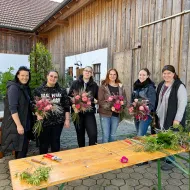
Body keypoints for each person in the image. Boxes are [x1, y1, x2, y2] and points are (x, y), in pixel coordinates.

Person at [156, 65, 187, 170]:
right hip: (163, 116)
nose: (166, 75)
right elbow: (159, 101)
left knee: (171, 138)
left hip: (173, 117)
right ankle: (165, 156)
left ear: (173, 74)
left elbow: (182, 103)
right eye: (164, 73)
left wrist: (177, 119)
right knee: (164, 136)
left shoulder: (179, 86)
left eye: (169, 73)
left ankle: (170, 161)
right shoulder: (161, 85)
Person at [34, 70, 70, 154]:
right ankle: (44, 165)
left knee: (55, 144)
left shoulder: (61, 90)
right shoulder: (39, 90)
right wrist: (37, 114)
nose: (53, 78)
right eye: (51, 76)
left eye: (55, 77)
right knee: (43, 145)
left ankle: (55, 164)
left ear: (57, 79)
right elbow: (33, 105)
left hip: (57, 122)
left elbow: (66, 106)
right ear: (47, 76)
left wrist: (67, 119)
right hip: (43, 121)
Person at [1, 66, 33, 159]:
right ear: (18, 75)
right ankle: (19, 170)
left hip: (25, 121)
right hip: (16, 123)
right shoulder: (13, 88)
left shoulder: (25, 88)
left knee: (22, 148)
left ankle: (19, 169)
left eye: (27, 75)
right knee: (20, 149)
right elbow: (13, 108)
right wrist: (19, 125)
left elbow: (28, 104)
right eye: (22, 75)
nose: (25, 77)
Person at [68, 66, 98, 147]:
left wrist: (96, 100)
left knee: (93, 134)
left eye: (89, 71)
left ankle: (92, 152)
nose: (87, 72)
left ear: (91, 74)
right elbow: (69, 97)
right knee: (80, 135)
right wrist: (74, 106)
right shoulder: (75, 83)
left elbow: (98, 97)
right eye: (86, 70)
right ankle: (82, 152)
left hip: (89, 113)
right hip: (77, 113)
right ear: (83, 72)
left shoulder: (94, 85)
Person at [98, 68, 127, 143]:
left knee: (113, 135)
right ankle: (105, 153)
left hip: (116, 114)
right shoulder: (103, 86)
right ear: (108, 75)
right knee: (106, 135)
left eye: (114, 74)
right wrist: (110, 107)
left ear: (117, 76)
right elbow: (100, 101)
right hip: (105, 114)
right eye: (110, 74)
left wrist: (123, 103)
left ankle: (111, 153)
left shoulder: (120, 86)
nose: (112, 76)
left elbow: (125, 99)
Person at [131, 68, 156, 136]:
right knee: (138, 133)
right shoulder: (136, 85)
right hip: (137, 113)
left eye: (144, 75)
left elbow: (152, 103)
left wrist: (142, 106)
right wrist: (132, 107)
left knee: (140, 135)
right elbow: (132, 99)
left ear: (147, 76)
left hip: (146, 115)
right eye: (140, 75)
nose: (141, 77)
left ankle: (140, 146)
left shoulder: (150, 87)